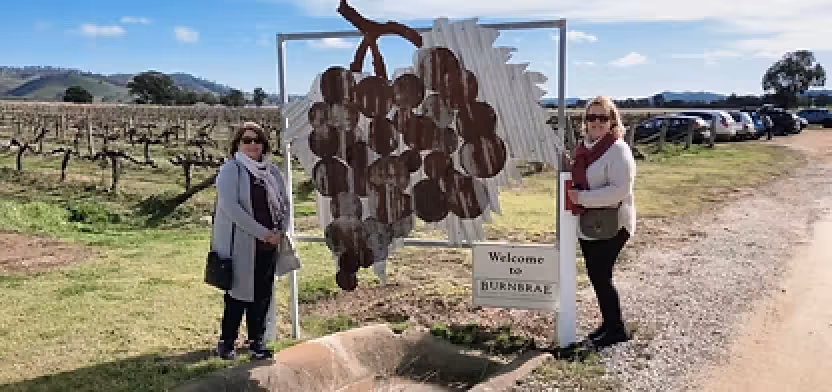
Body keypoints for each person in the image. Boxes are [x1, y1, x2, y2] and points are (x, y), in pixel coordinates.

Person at [211, 121, 290, 360]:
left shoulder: (272, 171)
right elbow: (231, 208)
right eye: (247, 140)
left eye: (257, 140)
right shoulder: (231, 170)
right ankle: (227, 343)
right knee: (237, 296)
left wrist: (279, 230)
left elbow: (285, 204)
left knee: (262, 296)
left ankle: (258, 343)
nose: (253, 144)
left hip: (268, 245)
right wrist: (262, 232)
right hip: (241, 245)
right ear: (238, 144)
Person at [566, 96, 637, 348]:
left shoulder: (617, 150)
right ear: (585, 121)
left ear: (611, 121)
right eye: (591, 117)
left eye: (602, 117)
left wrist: (582, 198)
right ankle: (609, 323)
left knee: (600, 274)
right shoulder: (584, 148)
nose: (596, 122)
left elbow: (620, 190)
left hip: (613, 223)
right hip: (589, 223)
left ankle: (616, 329)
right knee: (596, 275)